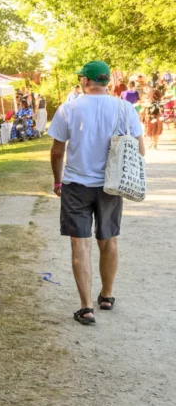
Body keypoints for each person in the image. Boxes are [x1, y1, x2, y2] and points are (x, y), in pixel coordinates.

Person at [48, 61, 144, 325]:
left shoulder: (68, 108)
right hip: (111, 184)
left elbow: (57, 151)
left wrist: (58, 181)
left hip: (76, 185)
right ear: (107, 82)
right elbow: (140, 150)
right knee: (109, 240)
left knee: (80, 244)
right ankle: (107, 296)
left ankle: (86, 307)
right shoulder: (125, 109)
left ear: (84, 81)